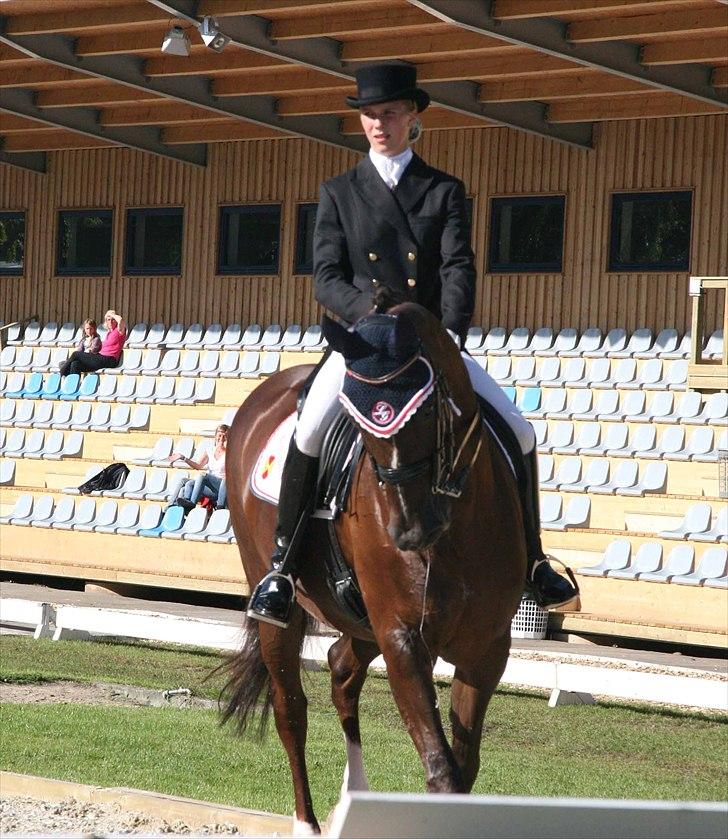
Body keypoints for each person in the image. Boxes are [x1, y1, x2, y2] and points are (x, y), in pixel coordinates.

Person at [248, 63, 578, 629]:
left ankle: (534, 563)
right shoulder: (339, 193)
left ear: (412, 118)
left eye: (391, 112)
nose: (380, 122)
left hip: (431, 345)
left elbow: (457, 266)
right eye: (371, 113)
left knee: (519, 430)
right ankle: (281, 569)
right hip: (364, 346)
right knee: (306, 431)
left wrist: (447, 334)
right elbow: (325, 277)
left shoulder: (443, 189)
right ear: (361, 120)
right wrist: (366, 315)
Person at [166, 424, 228, 511]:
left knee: (203, 476)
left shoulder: (230, 453)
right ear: (215, 436)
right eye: (220, 435)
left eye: (225, 436)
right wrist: (183, 457)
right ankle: (176, 506)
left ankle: (192, 503)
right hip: (210, 487)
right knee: (187, 484)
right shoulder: (210, 450)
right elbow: (198, 466)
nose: (221, 438)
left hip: (221, 487)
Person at [60, 310, 126, 376]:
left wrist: (111, 315)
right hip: (101, 358)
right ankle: (73, 385)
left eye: (113, 320)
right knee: (75, 364)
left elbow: (120, 320)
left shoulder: (119, 331)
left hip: (110, 359)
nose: (111, 322)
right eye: (108, 320)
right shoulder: (109, 333)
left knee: (76, 354)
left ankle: (62, 372)